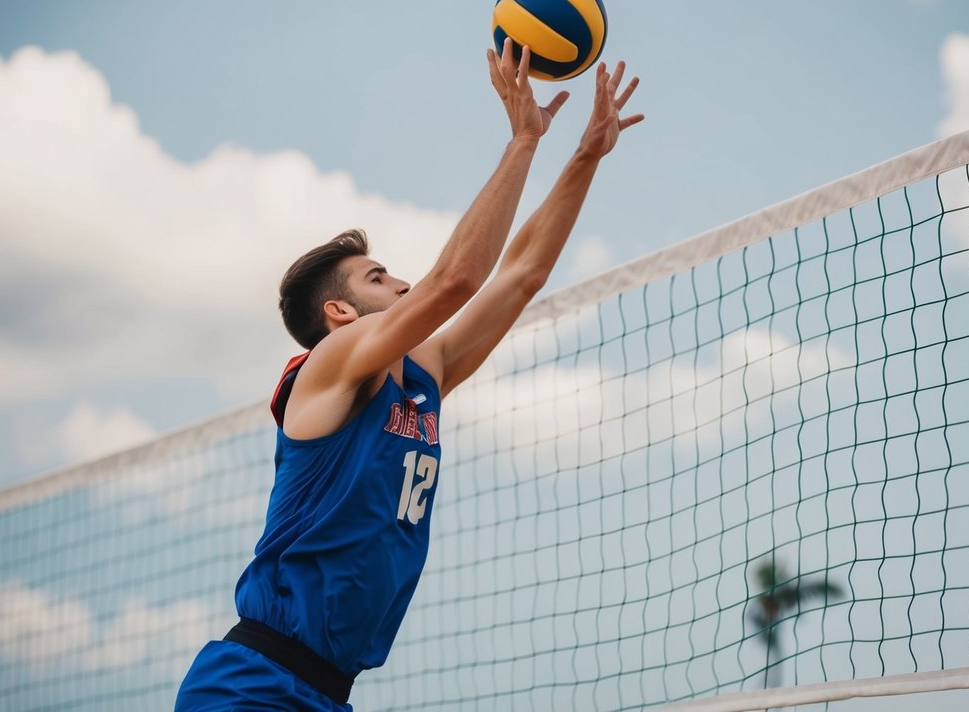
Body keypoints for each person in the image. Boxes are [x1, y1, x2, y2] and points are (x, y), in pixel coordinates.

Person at [174, 40, 644, 711]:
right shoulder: (329, 367)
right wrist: (522, 142)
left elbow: (520, 276)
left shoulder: (422, 376)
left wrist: (585, 156)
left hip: (328, 692)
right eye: (377, 276)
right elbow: (455, 281)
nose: (398, 282)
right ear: (339, 312)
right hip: (253, 685)